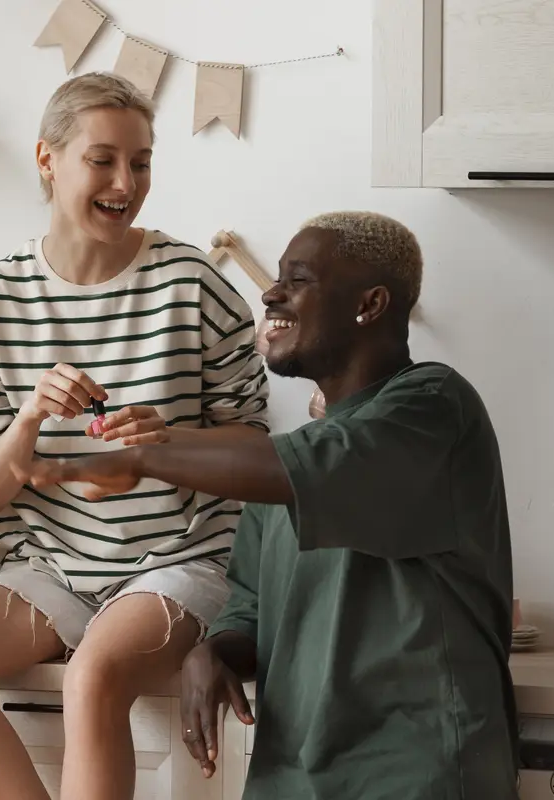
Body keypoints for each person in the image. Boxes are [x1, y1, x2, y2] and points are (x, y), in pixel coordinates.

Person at [26, 211, 519, 799]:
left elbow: (314, 464)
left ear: (370, 304)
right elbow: (252, 610)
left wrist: (143, 456)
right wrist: (213, 651)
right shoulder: (279, 467)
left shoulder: (433, 406)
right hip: (295, 776)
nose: (271, 293)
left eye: (299, 279)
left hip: (416, 773)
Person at [0, 72, 271, 800]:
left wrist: (166, 443)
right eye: (103, 159)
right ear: (47, 160)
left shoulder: (193, 285)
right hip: (49, 567)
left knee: (94, 671)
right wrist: (29, 417)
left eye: (142, 160)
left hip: (179, 558)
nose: (125, 181)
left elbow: (258, 456)